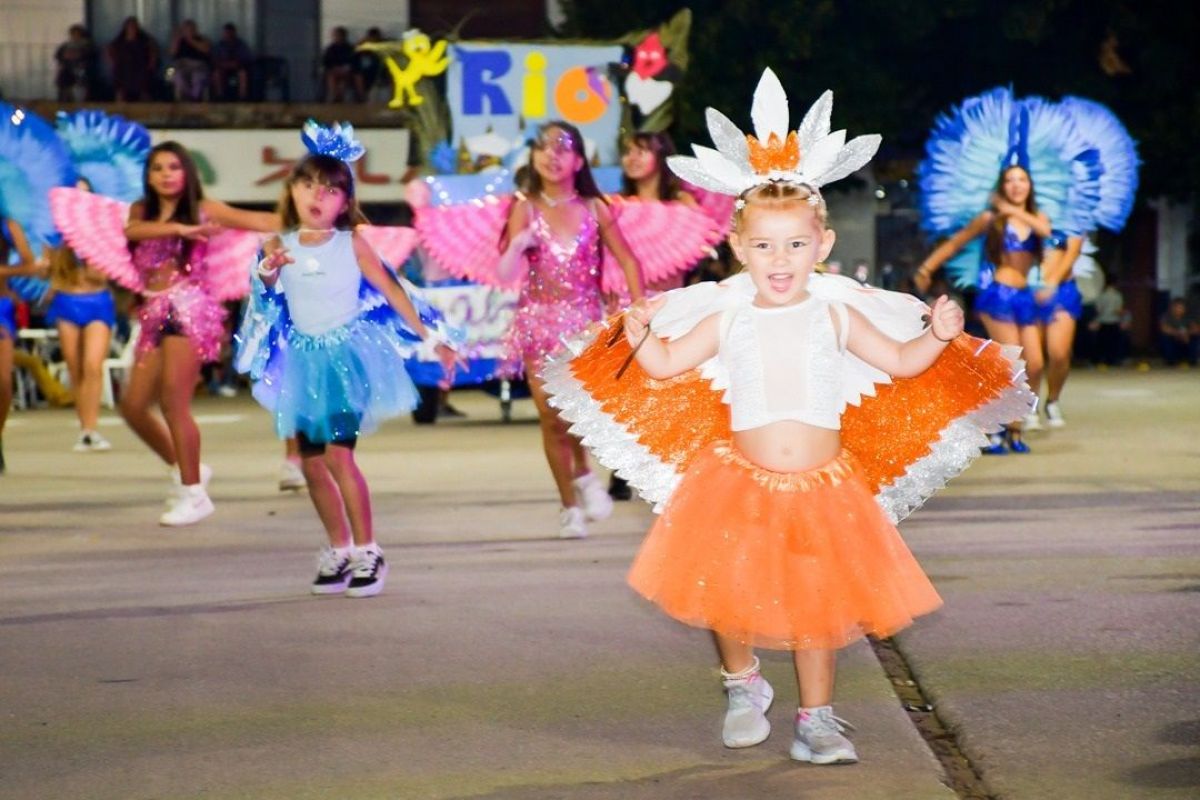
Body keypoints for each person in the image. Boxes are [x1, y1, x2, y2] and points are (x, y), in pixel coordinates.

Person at [543, 71, 1031, 765]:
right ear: (739, 248)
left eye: (796, 245)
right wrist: (643, 335)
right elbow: (666, 363)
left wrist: (940, 337)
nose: (781, 259)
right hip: (738, 477)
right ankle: (742, 683)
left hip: (824, 485)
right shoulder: (728, 313)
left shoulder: (836, 313)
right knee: (724, 583)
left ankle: (816, 720)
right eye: (765, 245)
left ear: (822, 246)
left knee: (816, 604)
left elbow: (900, 360)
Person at [241, 124, 456, 597]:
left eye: (331, 188)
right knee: (312, 464)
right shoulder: (277, 245)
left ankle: (368, 550)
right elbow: (266, 299)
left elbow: (393, 290)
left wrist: (433, 336)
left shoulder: (351, 243)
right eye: (308, 184)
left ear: (345, 200)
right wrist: (269, 273)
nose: (317, 195)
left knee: (339, 457)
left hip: (345, 359)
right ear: (292, 191)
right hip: (302, 362)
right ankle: (338, 549)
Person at [118, 142, 280, 525]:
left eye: (174, 167)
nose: (166, 174)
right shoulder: (140, 212)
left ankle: (193, 493)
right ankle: (184, 467)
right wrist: (180, 228)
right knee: (133, 405)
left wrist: (318, 217)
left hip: (189, 308)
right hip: (152, 311)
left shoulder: (207, 209)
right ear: (148, 176)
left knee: (174, 402)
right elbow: (133, 231)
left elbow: (262, 221)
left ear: (187, 172)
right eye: (158, 168)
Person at [500, 121, 644, 538]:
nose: (552, 155)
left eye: (562, 148)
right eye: (543, 147)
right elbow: (504, 272)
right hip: (537, 324)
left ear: (579, 160)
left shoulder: (595, 208)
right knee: (550, 418)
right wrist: (517, 244)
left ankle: (583, 471)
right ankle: (570, 507)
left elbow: (629, 260)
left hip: (583, 325)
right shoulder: (524, 208)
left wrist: (640, 308)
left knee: (576, 411)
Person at [915, 164, 1049, 453]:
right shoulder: (990, 219)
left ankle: (1017, 423)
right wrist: (927, 268)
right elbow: (956, 242)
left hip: (1025, 297)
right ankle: (999, 430)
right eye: (1010, 180)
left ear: (1030, 185)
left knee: (1036, 364)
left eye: (1022, 179)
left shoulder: (1037, 218)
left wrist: (1011, 210)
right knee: (1013, 363)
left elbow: (1046, 231)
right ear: (1002, 186)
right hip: (998, 295)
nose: (1016, 185)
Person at [45, 199, 118, 452]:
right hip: (67, 301)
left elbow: (103, 275)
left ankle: (91, 428)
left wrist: (87, 254)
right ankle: (85, 427)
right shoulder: (57, 238)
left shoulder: (102, 236)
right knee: (75, 367)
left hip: (97, 301)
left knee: (92, 365)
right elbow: (49, 274)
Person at [0, 217, 49, 473]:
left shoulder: (8, 225)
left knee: (3, 382)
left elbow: (29, 265)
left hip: (1, 306)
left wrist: (7, 272)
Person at [107, 17, 158, 102]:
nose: (132, 29)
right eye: (130, 27)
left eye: (134, 26)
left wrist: (152, 62)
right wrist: (112, 62)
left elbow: (153, 51)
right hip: (124, 69)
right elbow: (109, 49)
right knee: (119, 81)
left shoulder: (144, 41)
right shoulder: (119, 41)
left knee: (144, 82)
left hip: (140, 68)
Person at [169, 20, 212, 101]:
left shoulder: (202, 39)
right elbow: (172, 53)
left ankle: (194, 98)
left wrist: (190, 39)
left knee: (197, 78)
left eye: (191, 29)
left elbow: (206, 49)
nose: (189, 31)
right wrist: (176, 38)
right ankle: (188, 97)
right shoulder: (179, 41)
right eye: (186, 30)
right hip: (182, 66)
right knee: (176, 76)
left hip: (199, 67)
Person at [1090, 273, 1127, 367]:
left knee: (1101, 343)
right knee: (1113, 343)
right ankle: (1112, 360)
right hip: (1114, 321)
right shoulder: (1117, 296)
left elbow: (1098, 310)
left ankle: (1100, 360)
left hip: (1102, 322)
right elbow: (1118, 310)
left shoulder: (1101, 295)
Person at [55, 24, 98, 102]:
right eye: (73, 34)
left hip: (81, 71)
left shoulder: (87, 45)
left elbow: (90, 56)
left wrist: (77, 56)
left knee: (81, 89)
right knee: (64, 85)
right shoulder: (66, 45)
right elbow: (59, 56)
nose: (75, 36)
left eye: (77, 34)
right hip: (67, 70)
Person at [210, 23, 253, 101]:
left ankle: (242, 97)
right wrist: (224, 64)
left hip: (238, 68)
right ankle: (220, 97)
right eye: (226, 33)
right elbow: (214, 59)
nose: (228, 35)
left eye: (230, 33)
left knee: (243, 74)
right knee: (216, 74)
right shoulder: (219, 45)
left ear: (234, 33)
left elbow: (247, 58)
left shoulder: (241, 44)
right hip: (222, 67)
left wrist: (237, 63)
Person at [1160, 297, 1198, 367]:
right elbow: (1164, 328)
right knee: (1165, 337)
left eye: (1181, 307)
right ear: (1172, 308)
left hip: (1186, 340)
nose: (1178, 309)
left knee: (1195, 338)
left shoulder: (1188, 316)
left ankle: (1192, 359)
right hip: (1174, 339)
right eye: (1176, 307)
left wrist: (1187, 334)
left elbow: (1196, 329)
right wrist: (1178, 334)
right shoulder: (1166, 316)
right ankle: (1170, 360)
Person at [321, 27, 357, 103]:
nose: (336, 37)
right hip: (334, 70)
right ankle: (335, 96)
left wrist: (345, 68)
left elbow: (353, 61)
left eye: (338, 35)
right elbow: (326, 62)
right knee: (331, 77)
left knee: (343, 81)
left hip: (347, 71)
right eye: (335, 35)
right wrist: (334, 67)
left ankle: (339, 98)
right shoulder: (330, 48)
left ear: (343, 36)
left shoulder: (350, 48)